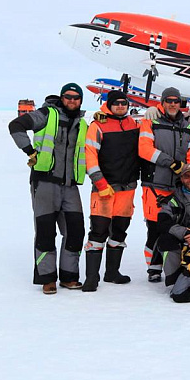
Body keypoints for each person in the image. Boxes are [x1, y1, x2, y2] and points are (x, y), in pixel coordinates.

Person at [8, 83, 88, 294]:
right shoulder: (46, 114)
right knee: (45, 232)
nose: (72, 101)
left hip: (70, 185)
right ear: (62, 98)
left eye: (76, 97)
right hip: (45, 182)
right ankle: (47, 278)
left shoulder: (82, 123)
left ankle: (69, 277)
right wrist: (29, 151)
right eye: (68, 97)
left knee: (75, 231)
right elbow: (15, 125)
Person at [81, 90, 140, 292]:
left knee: (119, 231)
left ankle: (112, 272)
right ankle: (91, 277)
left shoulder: (134, 124)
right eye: (117, 103)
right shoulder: (98, 125)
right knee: (98, 232)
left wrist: (152, 111)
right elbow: (90, 156)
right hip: (104, 189)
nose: (121, 106)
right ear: (109, 104)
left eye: (124, 103)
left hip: (128, 187)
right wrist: (100, 184)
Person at [139, 87, 190, 282]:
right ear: (163, 102)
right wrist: (170, 162)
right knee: (154, 227)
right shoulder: (151, 122)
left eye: (176, 101)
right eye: (169, 100)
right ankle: (153, 267)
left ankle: (171, 264)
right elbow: (145, 149)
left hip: (177, 186)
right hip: (155, 183)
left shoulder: (186, 125)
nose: (173, 104)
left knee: (173, 226)